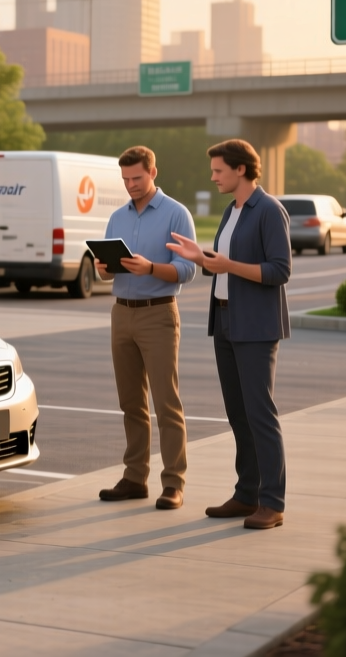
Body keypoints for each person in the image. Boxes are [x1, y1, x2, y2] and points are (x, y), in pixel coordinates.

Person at [166, 139, 292, 530]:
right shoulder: (231, 210)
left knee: (260, 414)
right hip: (225, 321)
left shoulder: (269, 210)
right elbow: (222, 264)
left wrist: (228, 264)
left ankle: (272, 502)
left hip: (255, 325)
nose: (213, 176)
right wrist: (200, 258)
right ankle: (246, 494)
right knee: (238, 414)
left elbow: (279, 270)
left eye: (219, 170)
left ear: (241, 169)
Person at [94, 146, 198, 510]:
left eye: (137, 178)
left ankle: (173, 483)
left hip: (158, 313)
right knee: (130, 403)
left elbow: (187, 270)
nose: (131, 185)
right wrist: (104, 268)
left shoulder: (176, 214)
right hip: (121, 312)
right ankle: (135, 477)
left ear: (154, 171)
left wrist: (150, 268)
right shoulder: (117, 217)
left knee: (166, 402)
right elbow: (106, 268)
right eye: (125, 180)